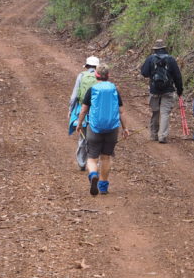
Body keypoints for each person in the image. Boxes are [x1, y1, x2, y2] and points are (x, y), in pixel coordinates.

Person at [77, 64, 130, 195]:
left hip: (94, 128)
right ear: (108, 76)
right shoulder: (114, 90)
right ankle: (103, 186)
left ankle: (93, 174)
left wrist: (79, 124)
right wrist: (125, 128)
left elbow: (84, 110)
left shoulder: (92, 89)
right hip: (112, 129)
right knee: (106, 157)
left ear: (96, 75)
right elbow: (121, 111)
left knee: (92, 157)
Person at [139, 39, 183, 143]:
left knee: (155, 112)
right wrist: (180, 90)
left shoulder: (150, 58)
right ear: (164, 48)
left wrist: (152, 75)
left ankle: (154, 135)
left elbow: (144, 73)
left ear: (155, 49)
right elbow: (178, 76)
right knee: (165, 113)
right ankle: (162, 136)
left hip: (154, 90)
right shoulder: (171, 59)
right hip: (168, 90)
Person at [68, 56, 100, 170]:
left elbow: (74, 96)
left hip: (82, 110)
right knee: (96, 136)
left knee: (83, 137)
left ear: (86, 66)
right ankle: (94, 163)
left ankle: (82, 163)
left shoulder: (81, 76)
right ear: (97, 67)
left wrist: (71, 110)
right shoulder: (100, 77)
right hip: (96, 111)